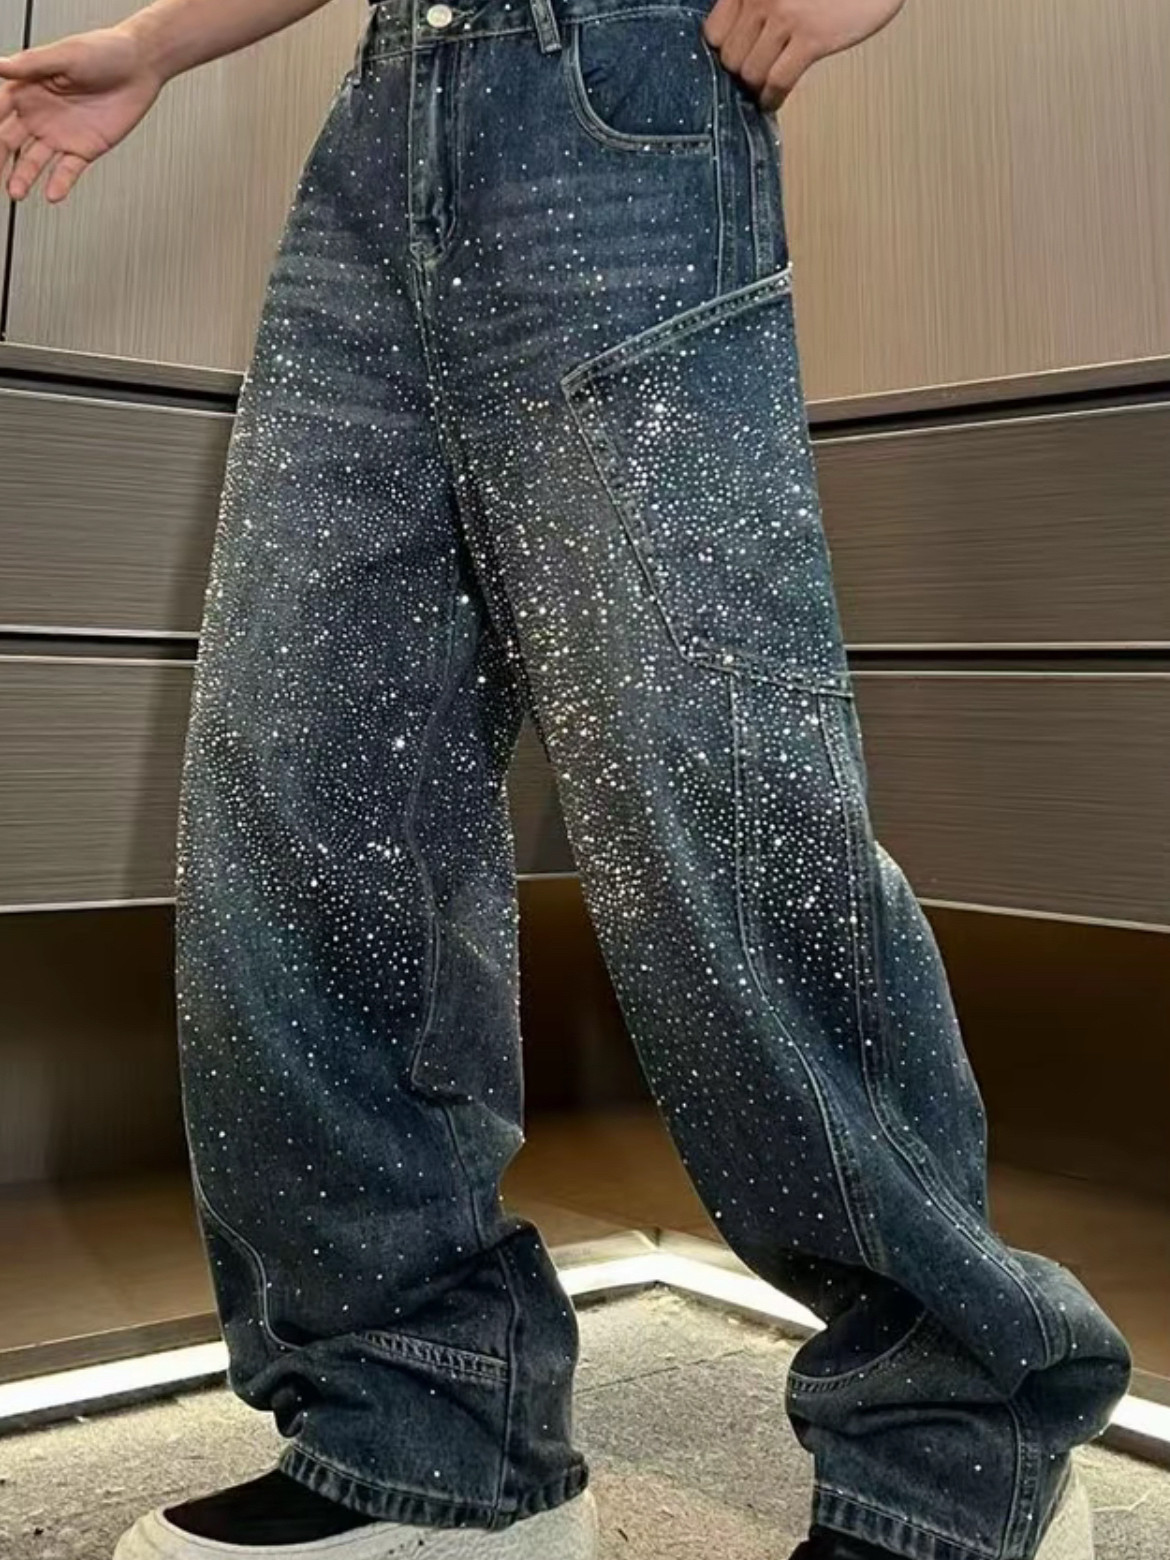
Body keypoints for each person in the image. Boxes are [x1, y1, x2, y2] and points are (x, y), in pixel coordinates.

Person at [0, 0, 1132, 1556]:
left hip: (622, 107)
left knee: (709, 796)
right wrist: (159, 42)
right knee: (304, 794)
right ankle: (419, 1439)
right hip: (381, 131)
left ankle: (955, 1450)